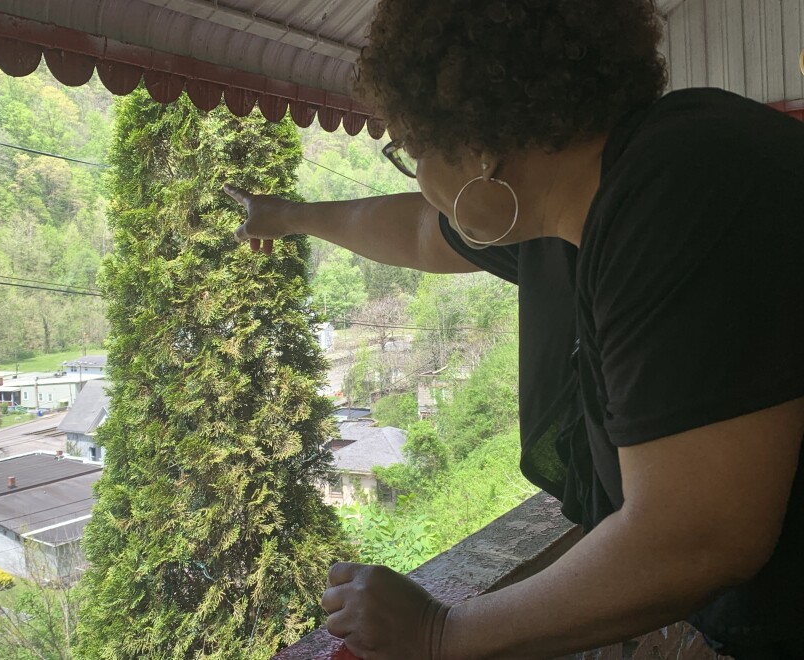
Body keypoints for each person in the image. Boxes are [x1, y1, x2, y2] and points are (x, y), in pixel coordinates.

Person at [224, 0, 804, 657]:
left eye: (410, 151)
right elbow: (420, 231)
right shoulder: (587, 201)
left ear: (478, 152)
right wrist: (289, 217)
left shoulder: (678, 193)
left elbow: (696, 536)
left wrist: (438, 633)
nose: (418, 175)